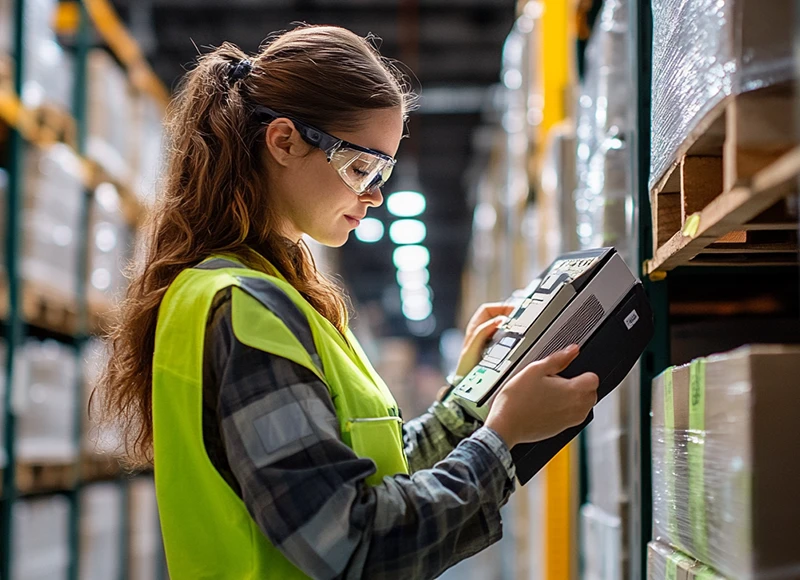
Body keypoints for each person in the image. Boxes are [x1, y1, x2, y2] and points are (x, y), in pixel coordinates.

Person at [98, 25, 599, 580]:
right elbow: (354, 541)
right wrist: (501, 442)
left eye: (381, 172)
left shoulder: (265, 293)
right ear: (284, 141)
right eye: (360, 168)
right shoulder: (244, 307)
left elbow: (366, 473)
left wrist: (471, 405)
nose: (375, 194)